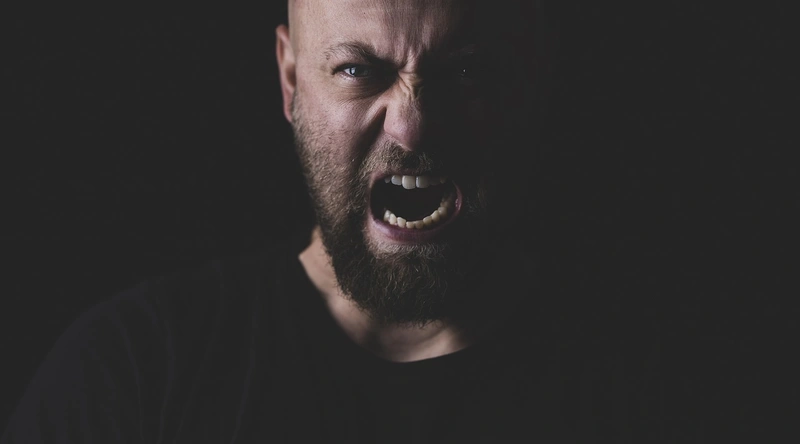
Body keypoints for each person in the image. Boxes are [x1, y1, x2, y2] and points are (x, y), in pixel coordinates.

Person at [2, 0, 705, 442]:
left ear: (534, 77)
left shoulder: (658, 389)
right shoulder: (134, 374)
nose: (412, 126)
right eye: (356, 71)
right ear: (290, 79)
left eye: (467, 72)